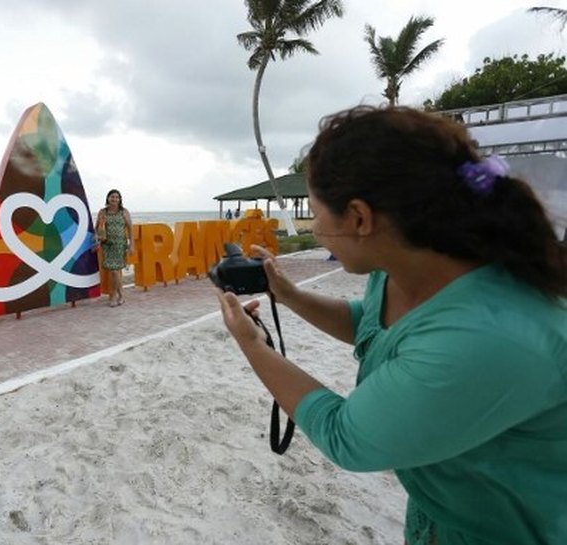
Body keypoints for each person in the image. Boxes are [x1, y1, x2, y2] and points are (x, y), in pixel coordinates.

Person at [216, 105, 567, 545]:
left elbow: (345, 435)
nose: (317, 228)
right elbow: (371, 322)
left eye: (316, 210)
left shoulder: (486, 336)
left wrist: (253, 347)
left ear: (360, 218)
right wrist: (288, 294)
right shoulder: (406, 267)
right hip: (443, 517)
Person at [95, 189, 133, 307]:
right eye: (112, 197)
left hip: (120, 245)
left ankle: (113, 296)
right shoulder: (103, 212)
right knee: (113, 272)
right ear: (108, 198)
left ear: (120, 199)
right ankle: (120, 295)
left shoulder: (124, 212)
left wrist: (132, 245)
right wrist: (97, 240)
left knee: (114, 271)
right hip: (107, 245)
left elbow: (130, 229)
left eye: (117, 197)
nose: (114, 199)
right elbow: (97, 228)